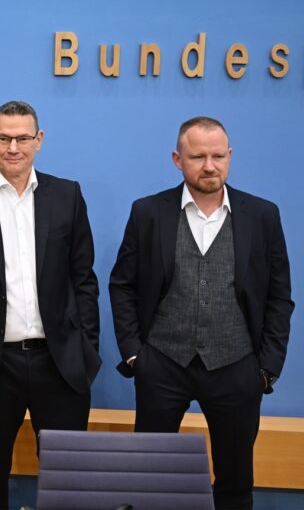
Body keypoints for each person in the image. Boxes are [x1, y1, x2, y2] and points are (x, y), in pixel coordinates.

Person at [109, 117, 294, 510]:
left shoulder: (263, 215)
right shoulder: (148, 213)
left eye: (218, 156)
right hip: (162, 364)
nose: (209, 165)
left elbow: (280, 296)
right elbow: (122, 285)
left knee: (235, 482)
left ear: (230, 157)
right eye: (198, 156)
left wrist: (267, 368)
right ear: (178, 159)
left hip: (237, 366)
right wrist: (135, 354)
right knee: (148, 481)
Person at [0, 101, 101, 509]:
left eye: (23, 138)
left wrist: (86, 349)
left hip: (59, 359)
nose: (14, 147)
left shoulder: (67, 194)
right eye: (4, 138)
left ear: (39, 140)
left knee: (66, 472)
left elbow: (84, 279)